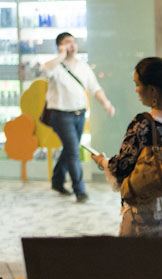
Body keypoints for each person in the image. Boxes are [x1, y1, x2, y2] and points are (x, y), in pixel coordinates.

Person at [92, 57, 162, 239]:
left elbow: (120, 166)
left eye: (138, 84)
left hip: (150, 217)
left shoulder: (144, 123)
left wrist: (102, 161)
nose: (136, 90)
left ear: (153, 90)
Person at [43, 32, 115, 203]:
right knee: (74, 151)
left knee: (70, 149)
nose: (72, 45)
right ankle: (80, 191)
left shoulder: (83, 66)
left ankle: (57, 180)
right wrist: (61, 55)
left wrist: (106, 103)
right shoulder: (55, 66)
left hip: (79, 114)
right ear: (60, 45)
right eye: (67, 42)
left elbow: (94, 88)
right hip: (60, 115)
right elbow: (46, 70)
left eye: (74, 42)